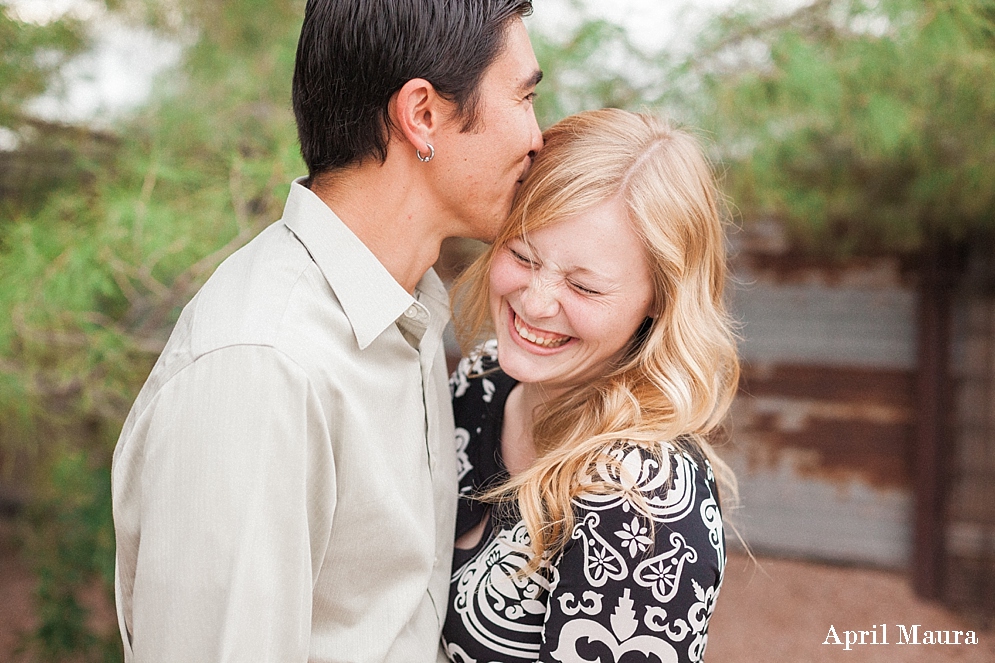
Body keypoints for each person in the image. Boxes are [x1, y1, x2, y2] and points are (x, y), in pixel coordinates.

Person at [111, 1, 542, 661]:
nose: (537, 136)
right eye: (523, 97)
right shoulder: (262, 367)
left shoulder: (401, 308)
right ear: (422, 114)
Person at [441, 108, 740, 663]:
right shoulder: (480, 380)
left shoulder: (644, 500)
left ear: (659, 301)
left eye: (584, 287)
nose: (535, 303)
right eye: (523, 254)